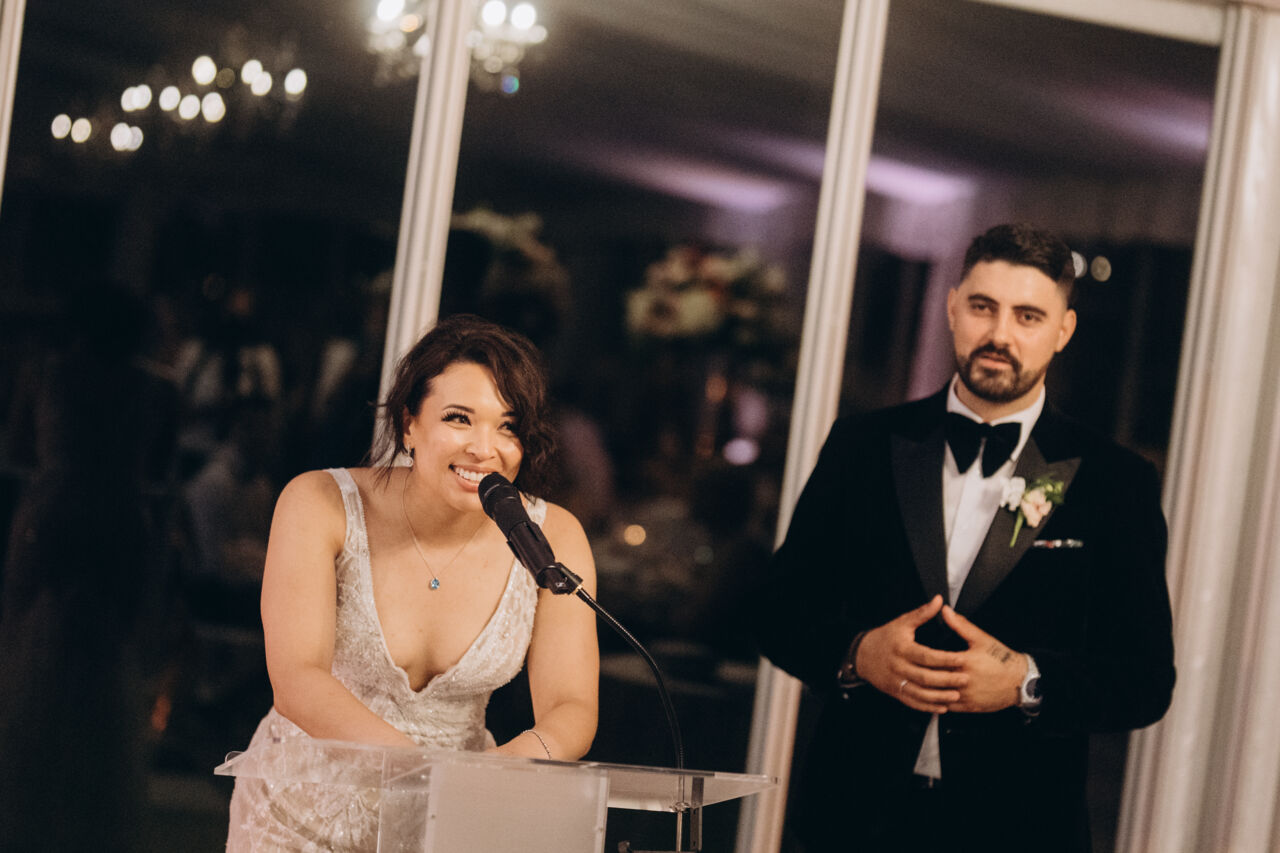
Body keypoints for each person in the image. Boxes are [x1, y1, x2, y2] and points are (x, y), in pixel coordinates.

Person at [756, 224, 1175, 852]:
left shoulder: (1117, 482)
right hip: (850, 816)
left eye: (1028, 316)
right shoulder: (862, 446)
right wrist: (858, 653)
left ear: (1063, 331)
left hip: (1021, 827)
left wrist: (1026, 682)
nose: (1000, 334)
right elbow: (774, 611)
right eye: (983, 307)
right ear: (952, 308)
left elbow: (1144, 679)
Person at [226, 314, 599, 851]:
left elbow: (571, 706)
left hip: (448, 823)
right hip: (297, 817)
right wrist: (428, 774)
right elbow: (297, 679)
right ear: (408, 425)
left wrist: (501, 771)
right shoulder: (318, 502)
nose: (484, 448)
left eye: (508, 426)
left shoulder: (554, 537)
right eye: (458, 418)